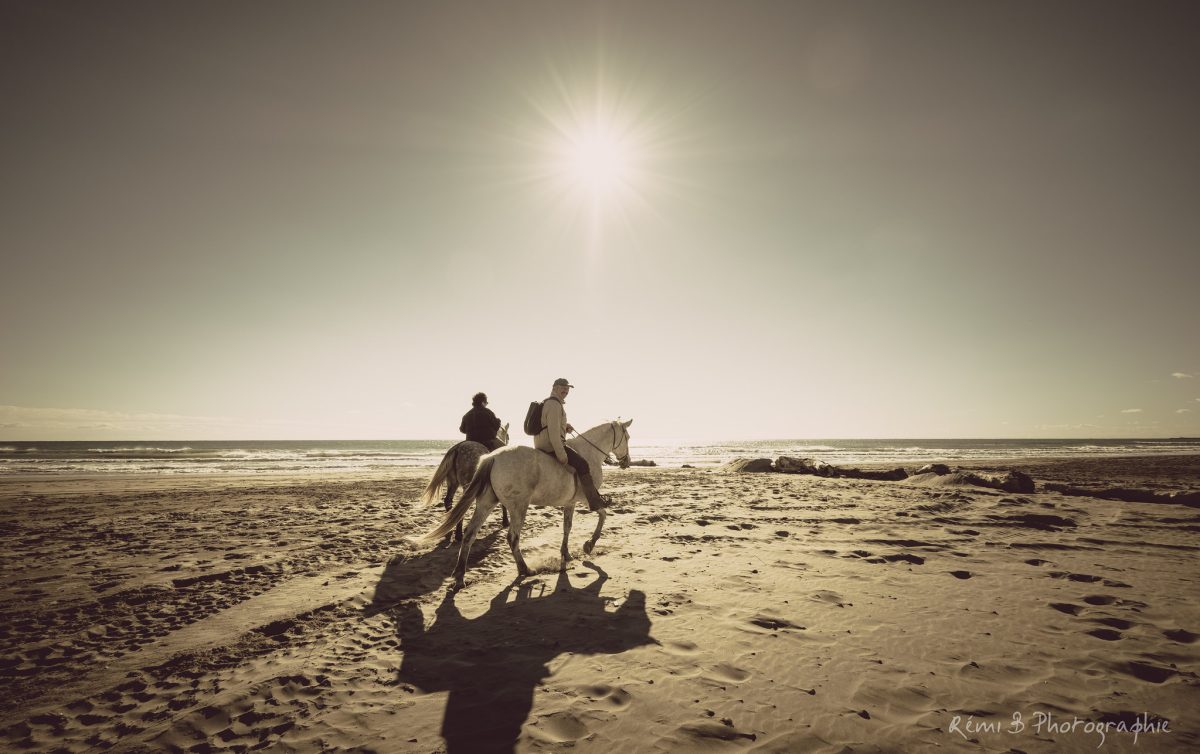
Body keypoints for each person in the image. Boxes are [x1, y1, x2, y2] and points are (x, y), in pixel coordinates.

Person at [533, 378, 608, 511]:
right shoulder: (555, 405)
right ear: (554, 388)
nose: (566, 390)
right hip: (550, 445)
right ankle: (594, 501)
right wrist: (561, 454)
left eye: (567, 388)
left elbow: (550, 425)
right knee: (583, 464)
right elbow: (554, 433)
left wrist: (565, 426)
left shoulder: (549, 403)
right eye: (563, 387)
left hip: (542, 442)